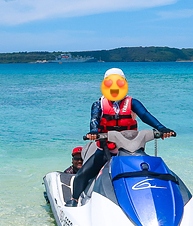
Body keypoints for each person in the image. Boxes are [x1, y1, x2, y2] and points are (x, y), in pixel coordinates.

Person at [66, 68, 176, 206]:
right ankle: (74, 200)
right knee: (83, 173)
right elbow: (94, 120)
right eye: (110, 84)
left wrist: (161, 128)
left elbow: (145, 115)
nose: (114, 87)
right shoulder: (98, 104)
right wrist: (93, 132)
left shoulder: (132, 103)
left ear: (123, 84)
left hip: (131, 149)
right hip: (107, 149)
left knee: (153, 168)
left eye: (118, 83)